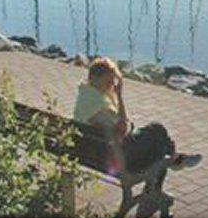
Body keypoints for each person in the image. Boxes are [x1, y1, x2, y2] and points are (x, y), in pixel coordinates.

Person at [73, 58, 200, 188]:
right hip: (120, 158)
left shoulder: (86, 94)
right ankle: (172, 162)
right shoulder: (97, 104)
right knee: (157, 131)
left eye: (112, 81)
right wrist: (119, 97)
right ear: (95, 78)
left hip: (95, 154)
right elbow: (123, 128)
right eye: (108, 81)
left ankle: (174, 159)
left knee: (155, 134)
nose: (111, 85)